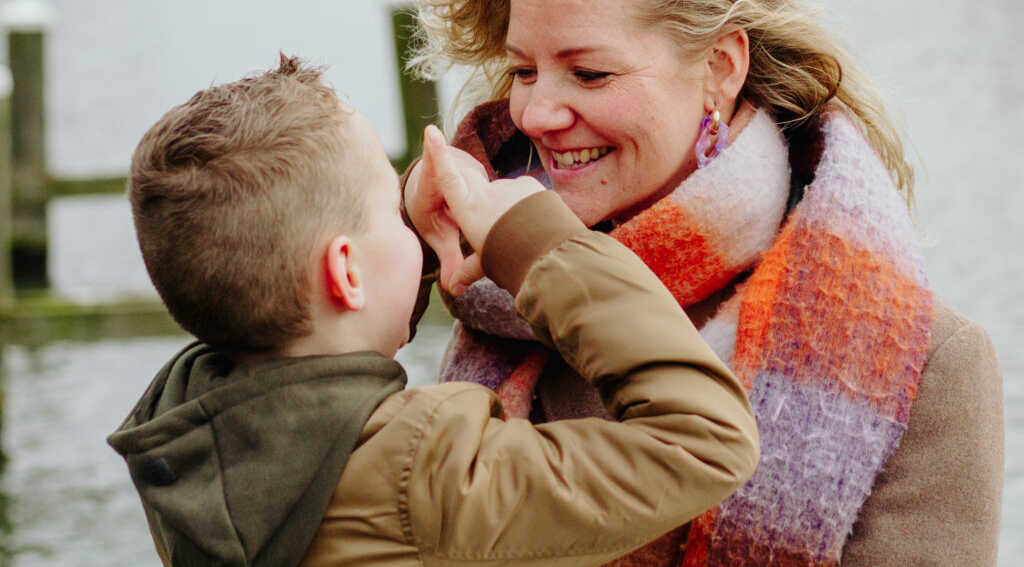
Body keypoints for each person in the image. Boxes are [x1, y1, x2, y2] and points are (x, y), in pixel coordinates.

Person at [403, 0, 1005, 564]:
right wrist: (402, 234)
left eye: (590, 72)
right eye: (523, 70)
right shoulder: (491, 281)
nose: (537, 114)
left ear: (720, 68)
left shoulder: (926, 364)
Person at [107, 55, 759, 566]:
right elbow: (704, 440)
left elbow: (324, 327)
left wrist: (404, 236)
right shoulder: (426, 472)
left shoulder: (182, 429)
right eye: (391, 210)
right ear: (344, 271)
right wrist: (538, 243)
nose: (406, 211)